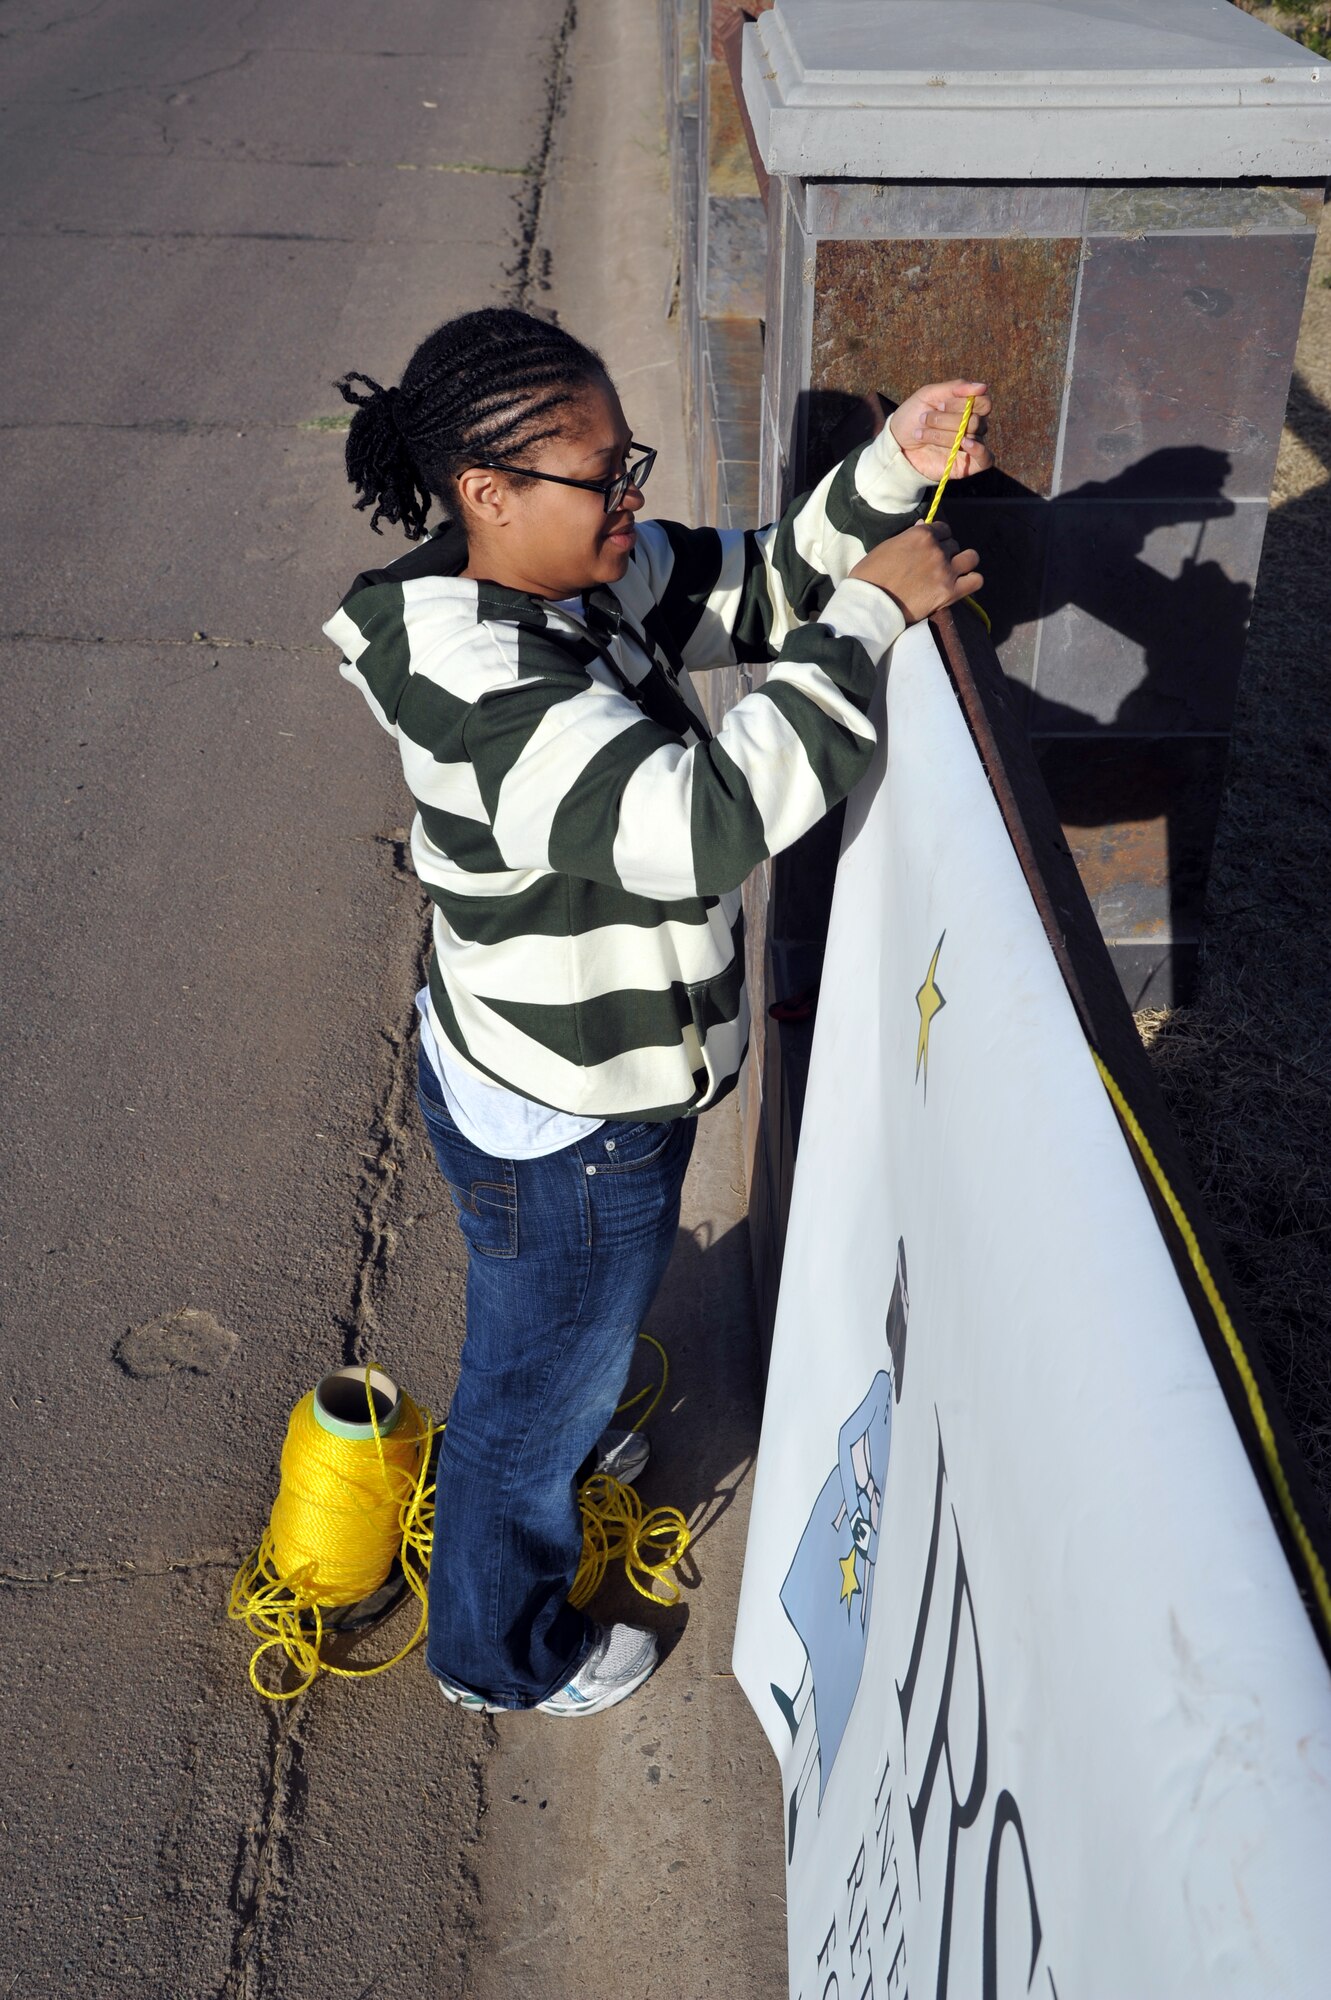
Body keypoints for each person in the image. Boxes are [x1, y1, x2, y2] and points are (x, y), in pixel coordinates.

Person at [324, 306, 988, 1717]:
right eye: (602, 476)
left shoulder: (574, 570)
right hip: (569, 1114)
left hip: (553, 1064)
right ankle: (494, 1656)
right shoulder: (480, 678)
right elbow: (697, 829)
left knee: (557, 1333)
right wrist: (874, 612)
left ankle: (578, 1400)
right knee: (525, 1398)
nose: (635, 498)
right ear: (485, 493)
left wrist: (886, 468)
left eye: (633, 461)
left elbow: (749, 591)